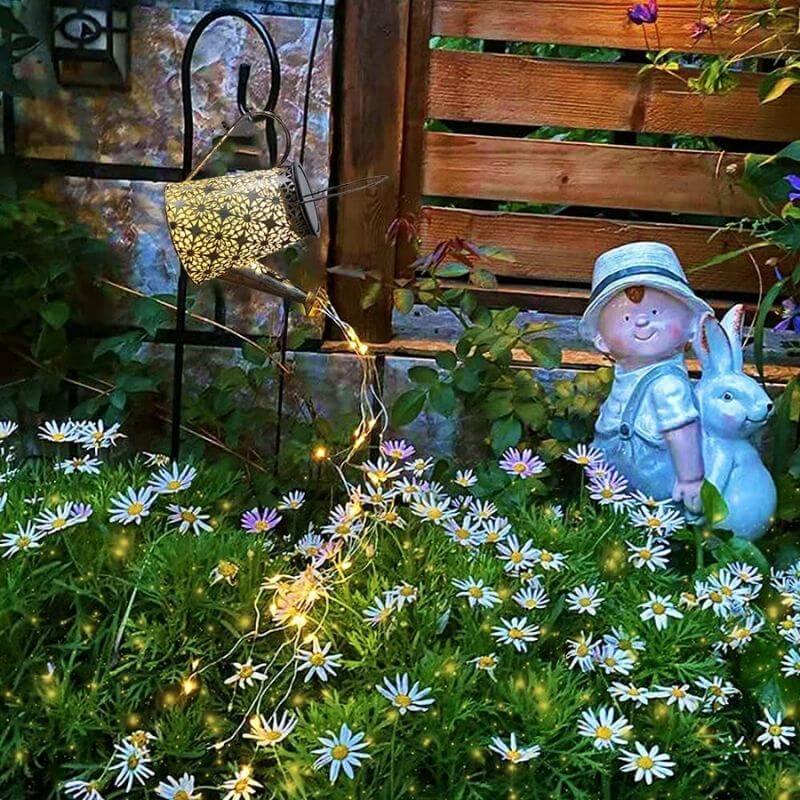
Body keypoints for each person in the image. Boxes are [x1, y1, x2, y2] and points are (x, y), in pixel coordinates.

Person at [579, 242, 712, 513]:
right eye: (626, 318)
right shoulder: (626, 376)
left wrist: (690, 479)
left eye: (655, 313)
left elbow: (681, 431)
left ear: (691, 325)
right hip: (615, 487)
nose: (641, 322)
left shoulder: (668, 385)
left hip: (658, 488)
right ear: (601, 340)